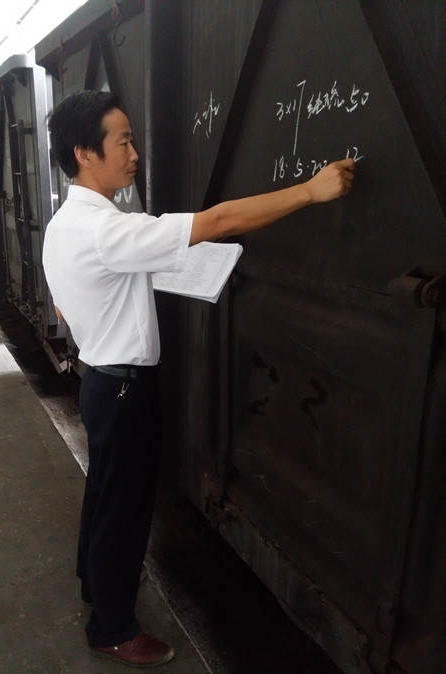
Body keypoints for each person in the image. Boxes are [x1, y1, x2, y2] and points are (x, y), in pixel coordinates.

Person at [42, 90, 355, 668]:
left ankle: (96, 581)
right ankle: (112, 627)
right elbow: (219, 220)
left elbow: (64, 306)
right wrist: (311, 191)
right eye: (123, 142)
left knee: (106, 494)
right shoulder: (106, 231)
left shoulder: (66, 224)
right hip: (124, 390)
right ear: (85, 153)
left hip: (101, 383)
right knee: (126, 508)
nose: (134, 154)